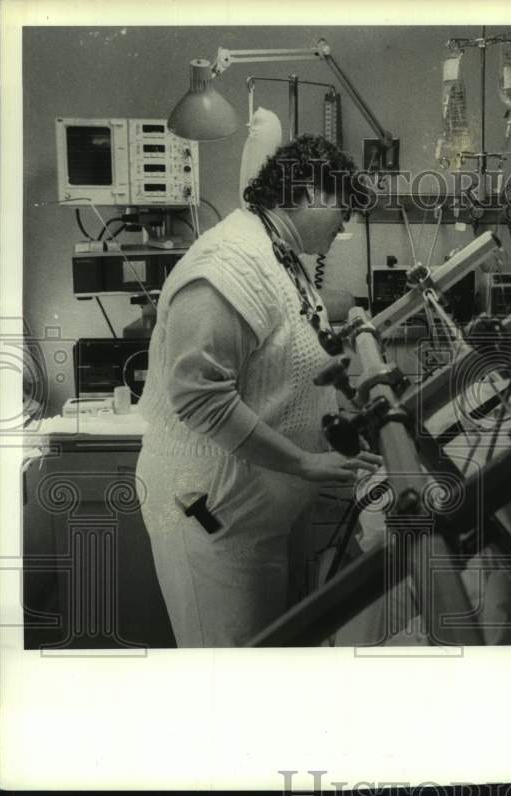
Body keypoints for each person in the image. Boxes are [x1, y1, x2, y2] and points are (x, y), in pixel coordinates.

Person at [135, 135, 380, 647]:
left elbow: (283, 338)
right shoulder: (228, 262)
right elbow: (200, 397)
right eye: (343, 210)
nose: (344, 226)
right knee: (231, 672)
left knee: (271, 663)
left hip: (261, 511)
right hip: (213, 513)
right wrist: (304, 462)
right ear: (311, 192)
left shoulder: (278, 253)